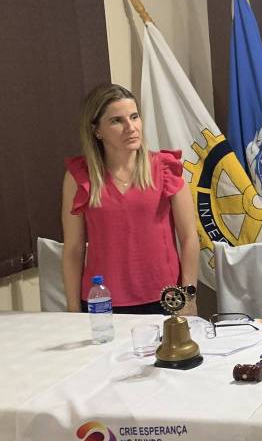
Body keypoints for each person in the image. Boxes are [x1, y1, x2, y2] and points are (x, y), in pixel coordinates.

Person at [61, 84, 199, 314]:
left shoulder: (166, 168)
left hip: (166, 298)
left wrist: (189, 296)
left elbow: (189, 238)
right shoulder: (80, 177)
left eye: (134, 117)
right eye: (117, 121)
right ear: (97, 131)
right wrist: (73, 310)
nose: (131, 127)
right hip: (102, 302)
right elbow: (74, 249)